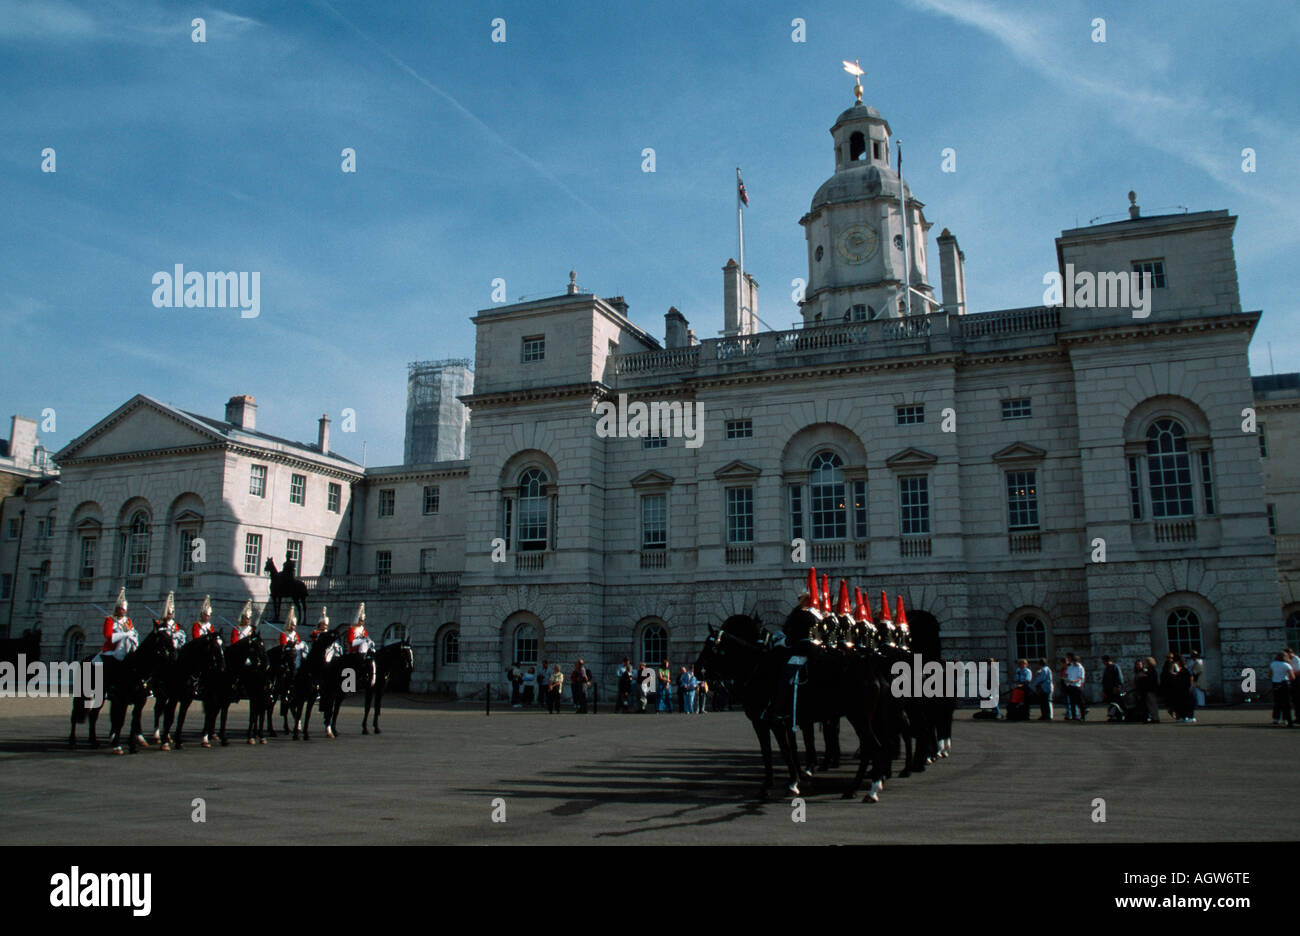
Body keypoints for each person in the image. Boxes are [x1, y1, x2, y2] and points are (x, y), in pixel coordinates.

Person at [1270, 652, 1294, 726]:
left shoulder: (1273, 664)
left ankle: (1276, 718)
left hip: (1275, 683)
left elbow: (1270, 674)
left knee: (1277, 702)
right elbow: (1292, 677)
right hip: (1284, 684)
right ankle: (1286, 719)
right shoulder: (1287, 665)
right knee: (1286, 703)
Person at [1063, 653, 1086, 721]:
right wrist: (1066, 679)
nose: (1075, 663)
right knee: (1072, 702)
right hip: (1070, 685)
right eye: (1074, 661)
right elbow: (1067, 674)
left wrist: (1074, 681)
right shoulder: (1071, 666)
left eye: (1076, 661)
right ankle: (1074, 716)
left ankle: (1083, 716)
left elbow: (1080, 677)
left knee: (1080, 702)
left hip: (1077, 686)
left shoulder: (1080, 667)